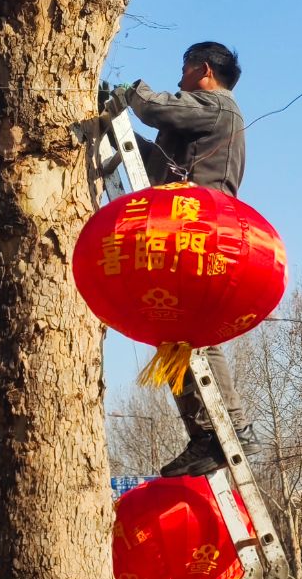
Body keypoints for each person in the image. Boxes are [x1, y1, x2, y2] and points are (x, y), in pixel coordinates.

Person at [106, 41, 258, 477]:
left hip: (200, 231)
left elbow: (158, 109)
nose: (179, 79)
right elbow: (159, 164)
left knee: (197, 333)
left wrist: (131, 91)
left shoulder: (217, 107)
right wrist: (116, 132)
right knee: (175, 336)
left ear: (204, 70)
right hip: (182, 227)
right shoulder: (199, 124)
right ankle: (205, 435)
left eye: (185, 70)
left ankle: (232, 428)